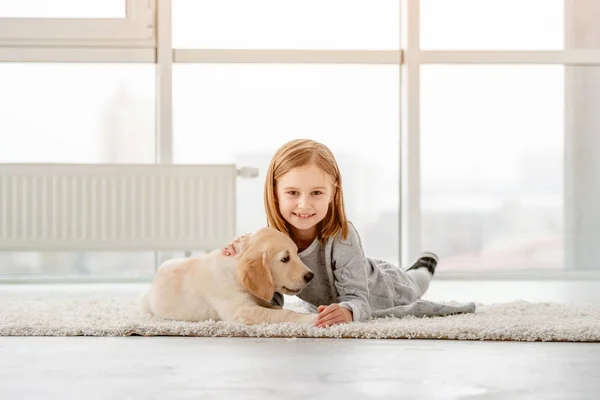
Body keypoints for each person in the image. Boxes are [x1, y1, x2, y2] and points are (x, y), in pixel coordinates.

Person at [223, 139, 476, 328]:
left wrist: (348, 311)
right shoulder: (274, 241)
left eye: (316, 193)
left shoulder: (341, 235)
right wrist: (240, 257)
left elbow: (359, 300)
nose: (304, 204)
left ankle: (425, 265)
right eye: (292, 193)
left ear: (333, 193)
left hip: (385, 289)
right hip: (358, 273)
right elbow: (270, 295)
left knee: (415, 282)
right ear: (275, 193)